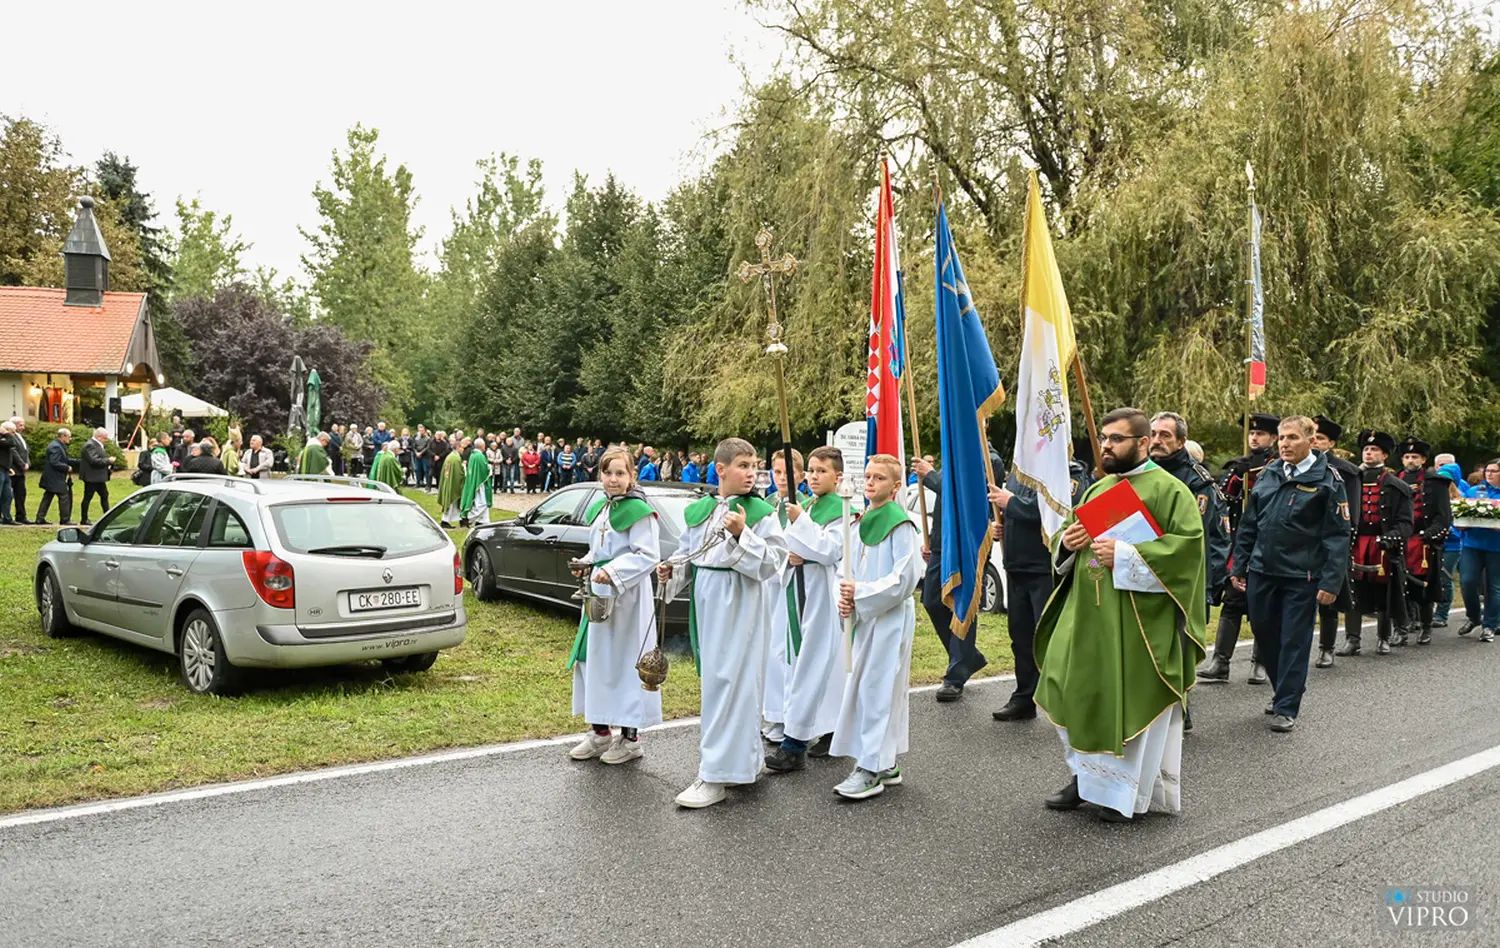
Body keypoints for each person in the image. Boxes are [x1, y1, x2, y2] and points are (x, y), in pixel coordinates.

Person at [1036, 408, 1204, 823]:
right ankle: (1083, 776)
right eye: (1105, 439)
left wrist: (1128, 556)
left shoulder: (1171, 492)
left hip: (1139, 622)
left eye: (1117, 440)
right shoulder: (1098, 489)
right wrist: (1067, 543)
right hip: (1087, 616)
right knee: (1065, 688)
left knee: (1128, 700)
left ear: (1143, 443)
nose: (1106, 446)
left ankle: (1120, 794)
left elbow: (1188, 553)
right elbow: (1068, 540)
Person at [659, 437, 788, 809]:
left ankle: (714, 774)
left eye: (754, 467)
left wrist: (740, 534)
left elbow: (771, 562)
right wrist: (674, 567)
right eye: (743, 466)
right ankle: (745, 764)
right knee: (724, 680)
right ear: (721, 469)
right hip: (709, 598)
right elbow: (691, 552)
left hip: (741, 600)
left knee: (732, 682)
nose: (751, 474)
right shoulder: (702, 509)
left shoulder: (760, 513)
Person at [1231, 416, 1351, 733]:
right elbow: (1249, 525)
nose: (1284, 443)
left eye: (1292, 437)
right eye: (1282, 437)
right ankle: (1283, 686)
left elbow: (1338, 535)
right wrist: (1239, 565)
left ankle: (1286, 704)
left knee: (1294, 640)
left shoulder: (1328, 480)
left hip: (1302, 575)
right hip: (1262, 570)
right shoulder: (1269, 474)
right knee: (1264, 631)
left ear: (1311, 441)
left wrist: (1331, 581)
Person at [826, 454, 922, 800]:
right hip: (865, 617)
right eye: (867, 476)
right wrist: (845, 595)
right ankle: (885, 762)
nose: (870, 483)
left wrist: (862, 593)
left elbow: (905, 578)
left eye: (879, 478)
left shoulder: (900, 524)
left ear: (896, 487)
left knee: (878, 690)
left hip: (889, 618)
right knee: (868, 686)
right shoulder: (859, 520)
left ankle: (869, 769)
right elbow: (845, 566)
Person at [566, 446, 663, 765]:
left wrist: (613, 571)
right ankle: (600, 733)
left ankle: (630, 738)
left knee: (623, 664)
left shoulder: (639, 511)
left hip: (628, 601)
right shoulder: (603, 508)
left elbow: (647, 555)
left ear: (632, 476)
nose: (613, 479)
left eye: (620, 473)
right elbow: (600, 548)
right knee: (595, 662)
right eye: (608, 473)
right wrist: (587, 562)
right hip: (599, 596)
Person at [988, 454, 1091, 722]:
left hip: (1045, 568)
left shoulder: (1071, 474)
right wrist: (1001, 526)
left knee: (1055, 638)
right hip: (1017, 566)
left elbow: (1055, 511)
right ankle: (1024, 697)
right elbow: (1014, 511)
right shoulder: (1022, 471)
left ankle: (1072, 699)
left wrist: (1010, 503)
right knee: (1020, 638)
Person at [766, 446, 848, 773]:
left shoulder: (841, 508)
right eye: (811, 470)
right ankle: (820, 729)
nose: (813, 476)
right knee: (800, 662)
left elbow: (832, 550)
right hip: (797, 587)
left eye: (821, 471)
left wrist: (801, 528)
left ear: (837, 477)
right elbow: (790, 545)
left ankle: (795, 744)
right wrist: (793, 551)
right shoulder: (811, 504)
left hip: (823, 594)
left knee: (813, 663)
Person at [910, 452, 1003, 702]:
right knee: (931, 600)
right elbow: (944, 505)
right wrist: (932, 540)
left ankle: (956, 676)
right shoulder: (952, 454)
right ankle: (968, 656)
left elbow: (964, 495)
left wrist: (930, 475)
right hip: (942, 543)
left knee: (963, 604)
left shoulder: (988, 458)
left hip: (968, 544)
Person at [1199, 413, 1278, 685]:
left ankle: (1260, 663)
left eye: (1261, 434)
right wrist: (1237, 480)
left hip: (1267, 543)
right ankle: (1220, 662)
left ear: (1273, 438)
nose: (1254, 438)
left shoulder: (1277, 466)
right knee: (1232, 600)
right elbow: (1223, 500)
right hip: (1240, 542)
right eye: (1251, 434)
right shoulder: (1238, 466)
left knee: (1263, 604)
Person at [1340, 430, 1413, 656]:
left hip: (1382, 545)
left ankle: (1383, 637)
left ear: (1384, 456)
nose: (1369, 452)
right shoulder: (1349, 480)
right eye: (1366, 449)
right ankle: (1352, 639)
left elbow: (1405, 522)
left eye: (1374, 450)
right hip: (1356, 543)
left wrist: (1392, 537)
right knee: (1353, 590)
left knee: (1383, 591)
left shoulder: (1396, 485)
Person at [762, 449, 811, 745]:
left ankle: (784, 716)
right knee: (767, 648)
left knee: (784, 650)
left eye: (789, 474)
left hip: (790, 584)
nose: (782, 479)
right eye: (777, 472)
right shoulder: (766, 505)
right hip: (767, 584)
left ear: (801, 477)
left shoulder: (805, 506)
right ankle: (771, 712)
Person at [1309, 415, 1359, 668]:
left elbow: (1351, 514)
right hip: (1302, 544)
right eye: (1312, 437)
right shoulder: (1299, 465)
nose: (1314, 442)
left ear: (1331, 443)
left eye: (1320, 438)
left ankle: (1326, 648)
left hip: (1329, 542)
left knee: (1327, 597)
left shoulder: (1346, 472)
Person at [1396, 437, 1453, 646]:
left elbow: (1443, 516)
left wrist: (1429, 535)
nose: (1411, 460)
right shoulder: (1394, 479)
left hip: (1423, 541)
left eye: (1415, 457)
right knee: (1398, 585)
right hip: (1400, 538)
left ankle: (1426, 625)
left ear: (1423, 460)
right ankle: (1402, 625)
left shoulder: (1435, 482)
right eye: (1407, 456)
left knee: (1422, 587)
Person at [1456, 459, 1500, 641]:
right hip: (1472, 544)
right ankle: (1474, 617)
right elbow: (1459, 514)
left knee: (1494, 587)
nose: (1489, 474)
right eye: (1488, 471)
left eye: (1494, 471)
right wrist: (1460, 527)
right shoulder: (1475, 491)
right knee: (1467, 581)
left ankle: (1490, 625)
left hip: (1496, 547)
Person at [1434, 458, 1466, 627]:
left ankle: (1441, 614)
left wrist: (1449, 530)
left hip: (1452, 545)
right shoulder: (1431, 497)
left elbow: (1463, 526)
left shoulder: (1461, 499)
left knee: (1445, 578)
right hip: (1433, 543)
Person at [35, 427, 78, 525]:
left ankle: (40, 518)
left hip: (51, 477)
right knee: (64, 496)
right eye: (69, 437)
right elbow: (55, 462)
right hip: (54, 478)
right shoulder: (56, 447)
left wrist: (78, 462)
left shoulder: (57, 445)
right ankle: (65, 519)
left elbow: (63, 459)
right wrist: (66, 467)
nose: (70, 439)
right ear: (63, 436)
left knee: (48, 497)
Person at [79, 427, 114, 524]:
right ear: (98, 436)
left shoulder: (98, 445)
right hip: (92, 477)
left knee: (104, 495)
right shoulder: (90, 445)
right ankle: (84, 518)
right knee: (88, 497)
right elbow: (94, 461)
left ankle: (107, 516)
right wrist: (108, 460)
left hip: (98, 477)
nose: (106, 440)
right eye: (105, 438)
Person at [461, 436, 491, 527]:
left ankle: (482, 521)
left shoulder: (473, 455)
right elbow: (484, 469)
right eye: (484, 445)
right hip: (480, 483)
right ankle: (468, 518)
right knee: (482, 503)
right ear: (482, 446)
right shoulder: (480, 456)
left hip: (474, 480)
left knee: (479, 502)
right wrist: (489, 468)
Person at [438, 439, 467, 528]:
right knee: (452, 502)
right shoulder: (456, 458)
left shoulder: (450, 456)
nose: (463, 449)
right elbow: (459, 474)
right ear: (458, 447)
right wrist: (464, 468)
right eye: (462, 447)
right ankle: (445, 521)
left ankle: (460, 520)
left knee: (453, 504)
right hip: (453, 484)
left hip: (449, 482)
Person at [6, 417, 30, 524]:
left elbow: (25, 451)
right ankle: (6, 516)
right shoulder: (10, 437)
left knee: (21, 494)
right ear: (14, 425)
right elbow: (13, 451)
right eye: (21, 425)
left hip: (21, 472)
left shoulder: (20, 437)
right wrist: (22, 464)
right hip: (13, 470)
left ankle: (21, 515)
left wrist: (28, 463)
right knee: (8, 494)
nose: (23, 427)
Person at [0, 421, 17, 525]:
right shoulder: (4, 437)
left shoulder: (5, 438)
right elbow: (12, 443)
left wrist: (8, 467)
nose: (13, 435)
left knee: (7, 495)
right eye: (12, 432)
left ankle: (7, 517)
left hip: (5, 469)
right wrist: (6, 433)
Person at [412, 425, 434, 490]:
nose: (421, 431)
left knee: (426, 470)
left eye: (422, 430)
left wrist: (421, 453)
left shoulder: (428, 438)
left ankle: (427, 484)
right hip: (417, 455)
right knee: (417, 469)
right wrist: (416, 453)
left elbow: (427, 447)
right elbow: (414, 446)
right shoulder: (416, 438)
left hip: (425, 456)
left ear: (425, 431)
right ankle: (418, 483)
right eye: (420, 430)